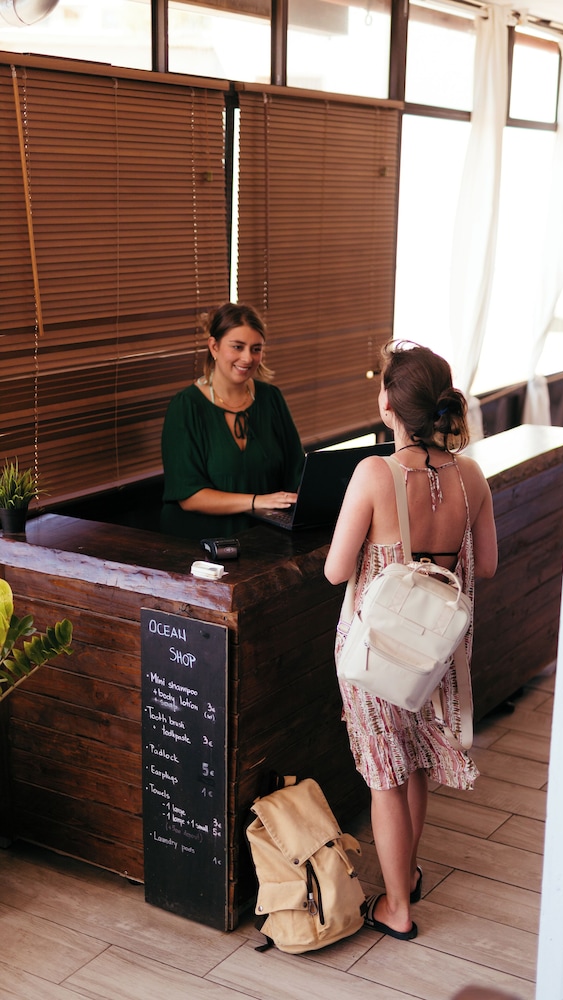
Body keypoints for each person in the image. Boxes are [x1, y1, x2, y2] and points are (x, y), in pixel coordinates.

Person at [324, 340, 498, 941]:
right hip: (438, 653)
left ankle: (397, 906)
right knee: (417, 761)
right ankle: (409, 874)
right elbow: (488, 564)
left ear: (389, 405)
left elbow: (336, 570)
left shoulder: (375, 473)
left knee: (385, 775)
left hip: (377, 652)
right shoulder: (470, 476)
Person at [160, 302, 304, 539]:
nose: (247, 358)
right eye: (237, 347)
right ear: (214, 346)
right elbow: (189, 496)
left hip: (265, 539)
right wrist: (256, 501)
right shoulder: (186, 406)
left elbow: (296, 473)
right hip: (199, 543)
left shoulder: (271, 398)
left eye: (256, 349)